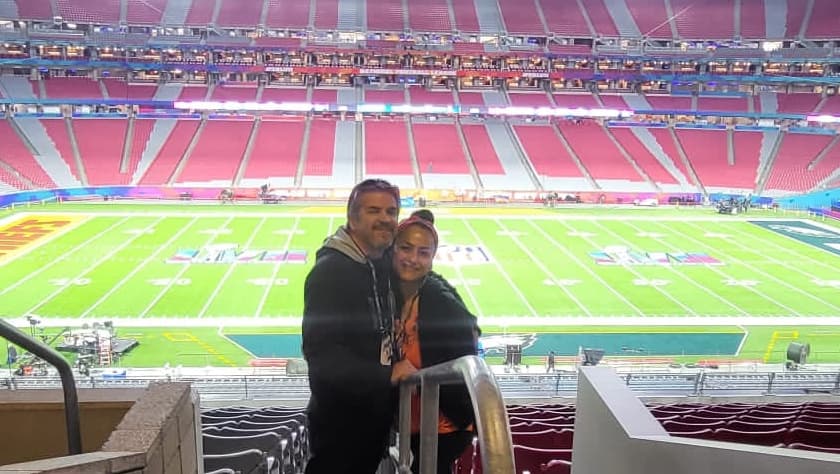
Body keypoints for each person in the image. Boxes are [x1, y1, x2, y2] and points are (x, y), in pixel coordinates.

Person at [302, 179, 418, 474]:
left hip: (370, 415)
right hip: (341, 422)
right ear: (352, 218)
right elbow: (322, 358)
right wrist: (387, 374)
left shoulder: (378, 263)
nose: (385, 219)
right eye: (373, 210)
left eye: (392, 211)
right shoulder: (331, 272)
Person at [391, 209, 479, 474]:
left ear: (432, 258)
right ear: (392, 249)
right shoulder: (391, 293)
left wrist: (419, 375)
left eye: (423, 252)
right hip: (415, 422)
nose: (412, 259)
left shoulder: (442, 303)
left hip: (443, 426)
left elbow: (468, 347)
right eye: (406, 248)